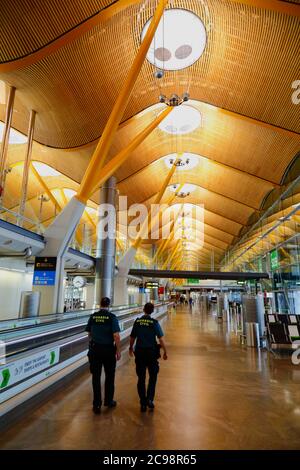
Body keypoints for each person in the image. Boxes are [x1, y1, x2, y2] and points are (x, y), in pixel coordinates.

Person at [129, 302, 168, 412]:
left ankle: (143, 402)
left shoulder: (137, 322)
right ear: (152, 311)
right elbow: (160, 339)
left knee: (141, 378)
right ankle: (150, 399)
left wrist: (130, 348)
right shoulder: (154, 322)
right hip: (151, 353)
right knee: (153, 376)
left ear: (143, 309)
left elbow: (132, 337)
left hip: (140, 353)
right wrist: (165, 351)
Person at [85, 297, 121, 414]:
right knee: (110, 376)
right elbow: (116, 335)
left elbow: (89, 333)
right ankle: (108, 401)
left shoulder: (93, 316)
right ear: (109, 305)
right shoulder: (111, 317)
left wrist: (92, 343)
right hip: (108, 350)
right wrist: (118, 350)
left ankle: (97, 405)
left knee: (96, 377)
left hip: (95, 350)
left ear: (100, 304)